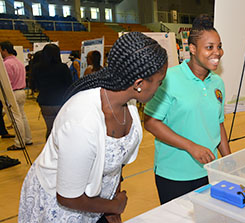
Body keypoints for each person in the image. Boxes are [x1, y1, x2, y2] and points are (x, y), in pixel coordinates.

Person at [18, 32, 168, 222]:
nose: (160, 87)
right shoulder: (82, 122)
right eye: (159, 82)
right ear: (138, 83)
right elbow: (68, 197)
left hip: (97, 202)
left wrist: (113, 207)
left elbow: (116, 162)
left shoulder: (127, 105)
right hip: (65, 207)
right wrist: (114, 206)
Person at [144, 15, 231, 204]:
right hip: (175, 175)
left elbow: (219, 124)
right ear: (192, 49)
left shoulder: (217, 82)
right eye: (209, 47)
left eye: (219, 46)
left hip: (209, 171)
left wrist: (228, 160)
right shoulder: (169, 79)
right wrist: (191, 146)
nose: (217, 52)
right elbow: (150, 122)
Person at [30, 44, 73, 139]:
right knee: (61, 129)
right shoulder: (63, 67)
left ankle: (49, 152)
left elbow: (34, 85)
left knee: (50, 129)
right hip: (61, 102)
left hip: (45, 102)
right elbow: (70, 84)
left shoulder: (37, 67)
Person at [0, 41, 32, 150]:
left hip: (13, 93)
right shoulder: (18, 61)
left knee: (15, 118)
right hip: (21, 91)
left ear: (4, 50)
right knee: (22, 116)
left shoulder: (6, 64)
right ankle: (27, 139)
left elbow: (6, 82)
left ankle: (19, 143)